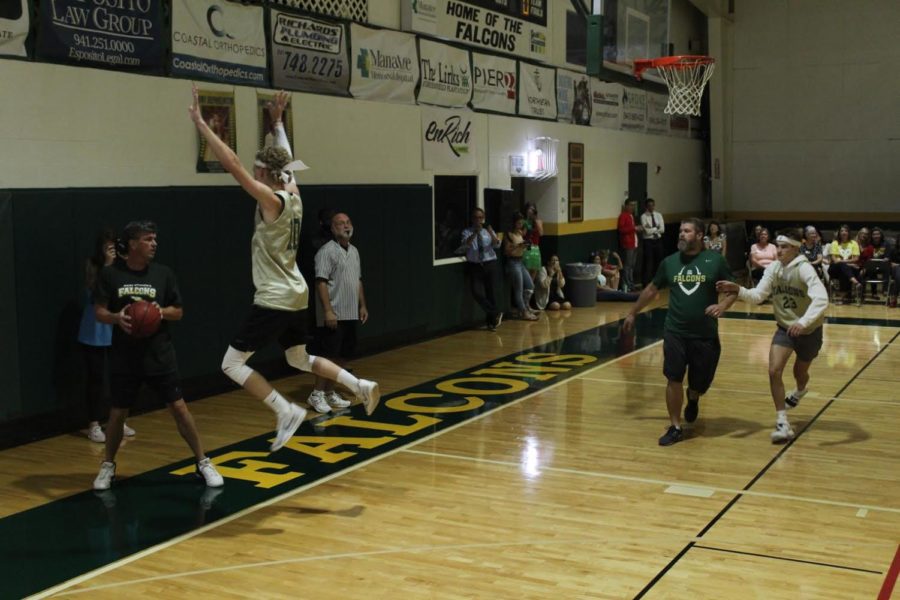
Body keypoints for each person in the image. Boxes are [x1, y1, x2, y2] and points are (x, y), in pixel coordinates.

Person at [189, 86, 380, 452]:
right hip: (297, 291)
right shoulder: (294, 193)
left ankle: (284, 410)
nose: (254, 172)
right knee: (298, 357)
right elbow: (288, 160)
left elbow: (232, 164)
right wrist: (277, 123)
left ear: (266, 173)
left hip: (275, 295)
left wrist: (202, 124)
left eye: (258, 169)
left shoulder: (271, 200)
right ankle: (358, 386)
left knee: (231, 363)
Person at [92, 221, 223, 490]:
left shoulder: (163, 274)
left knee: (179, 408)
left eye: (155, 239)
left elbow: (179, 311)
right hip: (124, 357)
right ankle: (108, 465)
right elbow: (99, 312)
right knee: (117, 413)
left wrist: (159, 312)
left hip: (159, 354)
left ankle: (203, 462)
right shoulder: (110, 275)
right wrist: (117, 317)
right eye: (148, 239)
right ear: (132, 243)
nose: (154, 243)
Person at [623, 218, 737, 446]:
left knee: (700, 382)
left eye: (687, 231)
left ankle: (693, 397)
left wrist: (722, 306)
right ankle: (675, 427)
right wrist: (633, 312)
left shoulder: (715, 261)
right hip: (674, 330)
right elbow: (652, 289)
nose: (681, 235)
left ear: (699, 235)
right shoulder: (669, 263)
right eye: (680, 231)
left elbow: (734, 290)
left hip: (705, 334)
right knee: (673, 377)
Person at [717, 228, 828, 443]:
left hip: (809, 330)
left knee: (800, 372)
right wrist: (738, 289)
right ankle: (782, 422)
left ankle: (800, 390)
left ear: (796, 248)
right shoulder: (774, 268)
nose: (779, 250)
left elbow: (822, 299)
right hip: (784, 327)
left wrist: (803, 322)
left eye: (784, 247)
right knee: (773, 370)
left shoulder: (804, 269)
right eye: (778, 246)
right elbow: (758, 296)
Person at [78, 229, 137, 443]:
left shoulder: (122, 268)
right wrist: (108, 266)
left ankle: (117, 421)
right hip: (94, 332)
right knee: (96, 379)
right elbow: (95, 296)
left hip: (116, 329)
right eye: (108, 247)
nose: (112, 251)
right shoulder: (94, 267)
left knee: (120, 377)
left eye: (115, 246)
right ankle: (93, 424)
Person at [307, 213, 368, 414]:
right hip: (334, 313)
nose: (346, 226)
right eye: (340, 223)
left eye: (348, 222)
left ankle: (330, 391)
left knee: (343, 356)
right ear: (332, 229)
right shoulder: (326, 252)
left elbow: (357, 280)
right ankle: (316, 394)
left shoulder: (355, 251)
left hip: (351, 312)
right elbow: (320, 282)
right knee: (328, 356)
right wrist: (328, 311)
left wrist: (362, 305)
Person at [460, 207, 503, 330]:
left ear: (483, 219)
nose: (478, 220)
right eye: (476, 217)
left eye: (480, 218)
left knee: (491, 293)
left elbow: (497, 245)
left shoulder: (488, 231)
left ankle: (492, 323)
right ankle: (495, 313)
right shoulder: (466, 232)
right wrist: (474, 233)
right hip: (475, 265)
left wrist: (491, 233)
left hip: (489, 263)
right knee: (476, 292)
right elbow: (464, 246)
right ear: (472, 219)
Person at [503, 213, 538, 320]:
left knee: (530, 285)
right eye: (518, 222)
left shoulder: (520, 233)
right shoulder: (508, 235)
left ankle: (526, 307)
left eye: (521, 222)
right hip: (513, 263)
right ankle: (523, 312)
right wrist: (518, 246)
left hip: (520, 262)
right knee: (518, 290)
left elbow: (523, 246)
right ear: (514, 222)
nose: (520, 224)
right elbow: (507, 251)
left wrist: (525, 245)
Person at [827, 225, 862, 304]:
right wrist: (849, 264)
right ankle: (856, 282)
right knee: (843, 267)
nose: (844, 233)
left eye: (846, 231)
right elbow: (835, 261)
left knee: (844, 272)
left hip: (847, 270)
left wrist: (844, 263)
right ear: (839, 233)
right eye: (842, 231)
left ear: (849, 233)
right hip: (834, 269)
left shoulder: (854, 243)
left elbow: (856, 258)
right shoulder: (835, 243)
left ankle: (842, 298)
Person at [617, 199, 641, 291]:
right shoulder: (623, 216)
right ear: (626, 206)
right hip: (628, 244)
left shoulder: (631, 216)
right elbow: (621, 229)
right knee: (627, 266)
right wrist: (634, 228)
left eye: (634, 205)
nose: (633, 207)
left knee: (632, 266)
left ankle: (631, 283)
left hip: (634, 243)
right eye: (631, 205)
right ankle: (626, 285)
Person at [640, 198, 665, 287]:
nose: (651, 207)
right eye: (649, 205)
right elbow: (647, 231)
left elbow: (662, 229)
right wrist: (656, 228)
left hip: (658, 240)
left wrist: (653, 229)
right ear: (646, 206)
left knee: (659, 261)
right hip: (648, 241)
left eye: (652, 205)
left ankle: (657, 281)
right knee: (648, 262)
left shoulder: (658, 215)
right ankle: (646, 282)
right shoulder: (644, 216)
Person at [523, 203, 543, 288]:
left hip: (535, 248)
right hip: (527, 247)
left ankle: (529, 297)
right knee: (526, 276)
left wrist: (535, 219)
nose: (531, 211)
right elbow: (523, 234)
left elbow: (541, 233)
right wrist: (527, 222)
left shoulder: (538, 221)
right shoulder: (524, 221)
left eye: (533, 209)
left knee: (533, 277)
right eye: (529, 209)